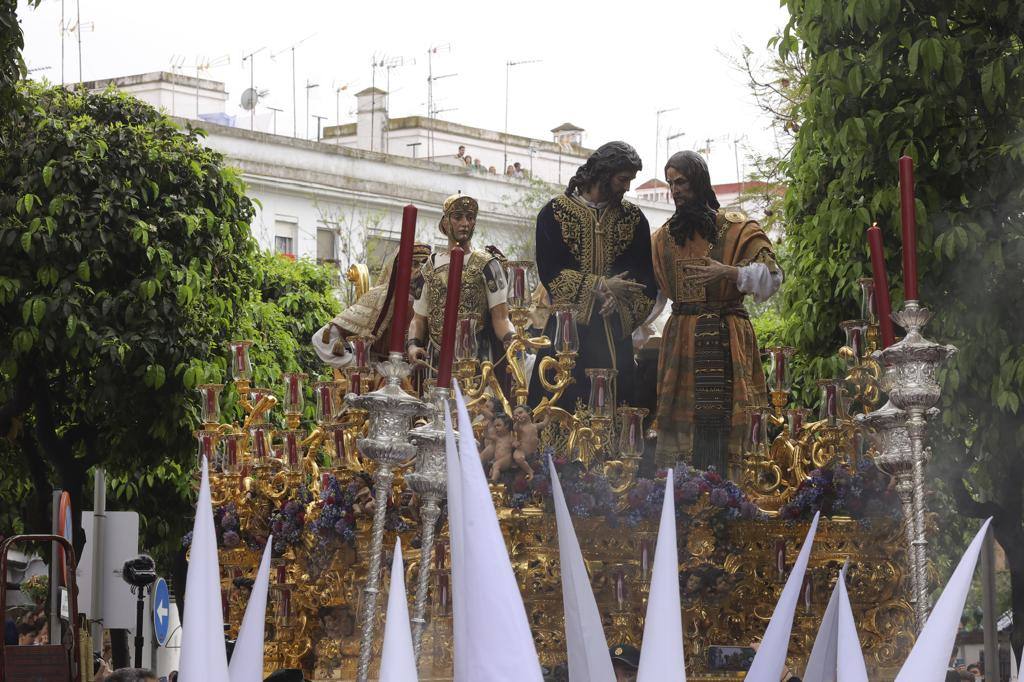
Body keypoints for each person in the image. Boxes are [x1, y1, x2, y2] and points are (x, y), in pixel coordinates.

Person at [651, 150, 781, 479]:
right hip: (681, 346)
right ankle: (682, 495)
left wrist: (729, 273)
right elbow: (652, 301)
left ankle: (736, 495)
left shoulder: (739, 229)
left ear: (699, 181)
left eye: (680, 182)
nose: (675, 190)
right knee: (682, 436)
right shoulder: (661, 239)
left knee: (733, 432)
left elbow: (772, 279)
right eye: (670, 183)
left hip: (728, 340)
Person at [529, 141, 657, 411]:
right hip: (567, 332)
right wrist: (598, 285)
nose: (627, 188)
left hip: (614, 338)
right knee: (559, 407)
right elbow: (550, 274)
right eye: (623, 179)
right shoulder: (553, 214)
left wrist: (619, 301)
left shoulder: (633, 220)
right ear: (603, 173)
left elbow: (646, 281)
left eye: (631, 180)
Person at [407, 193, 515, 371]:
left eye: (470, 218)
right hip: (436, 359)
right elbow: (419, 318)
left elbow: (501, 318)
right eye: (458, 217)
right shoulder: (430, 266)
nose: (465, 223)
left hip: (476, 358)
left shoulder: (488, 265)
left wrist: (511, 338)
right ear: (445, 222)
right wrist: (412, 345)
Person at [312, 244, 431, 371]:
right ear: (398, 267)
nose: (420, 271)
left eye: (424, 265)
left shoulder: (432, 303)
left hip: (420, 381)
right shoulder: (379, 298)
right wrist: (360, 364)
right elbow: (320, 339)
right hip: (381, 380)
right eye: (414, 264)